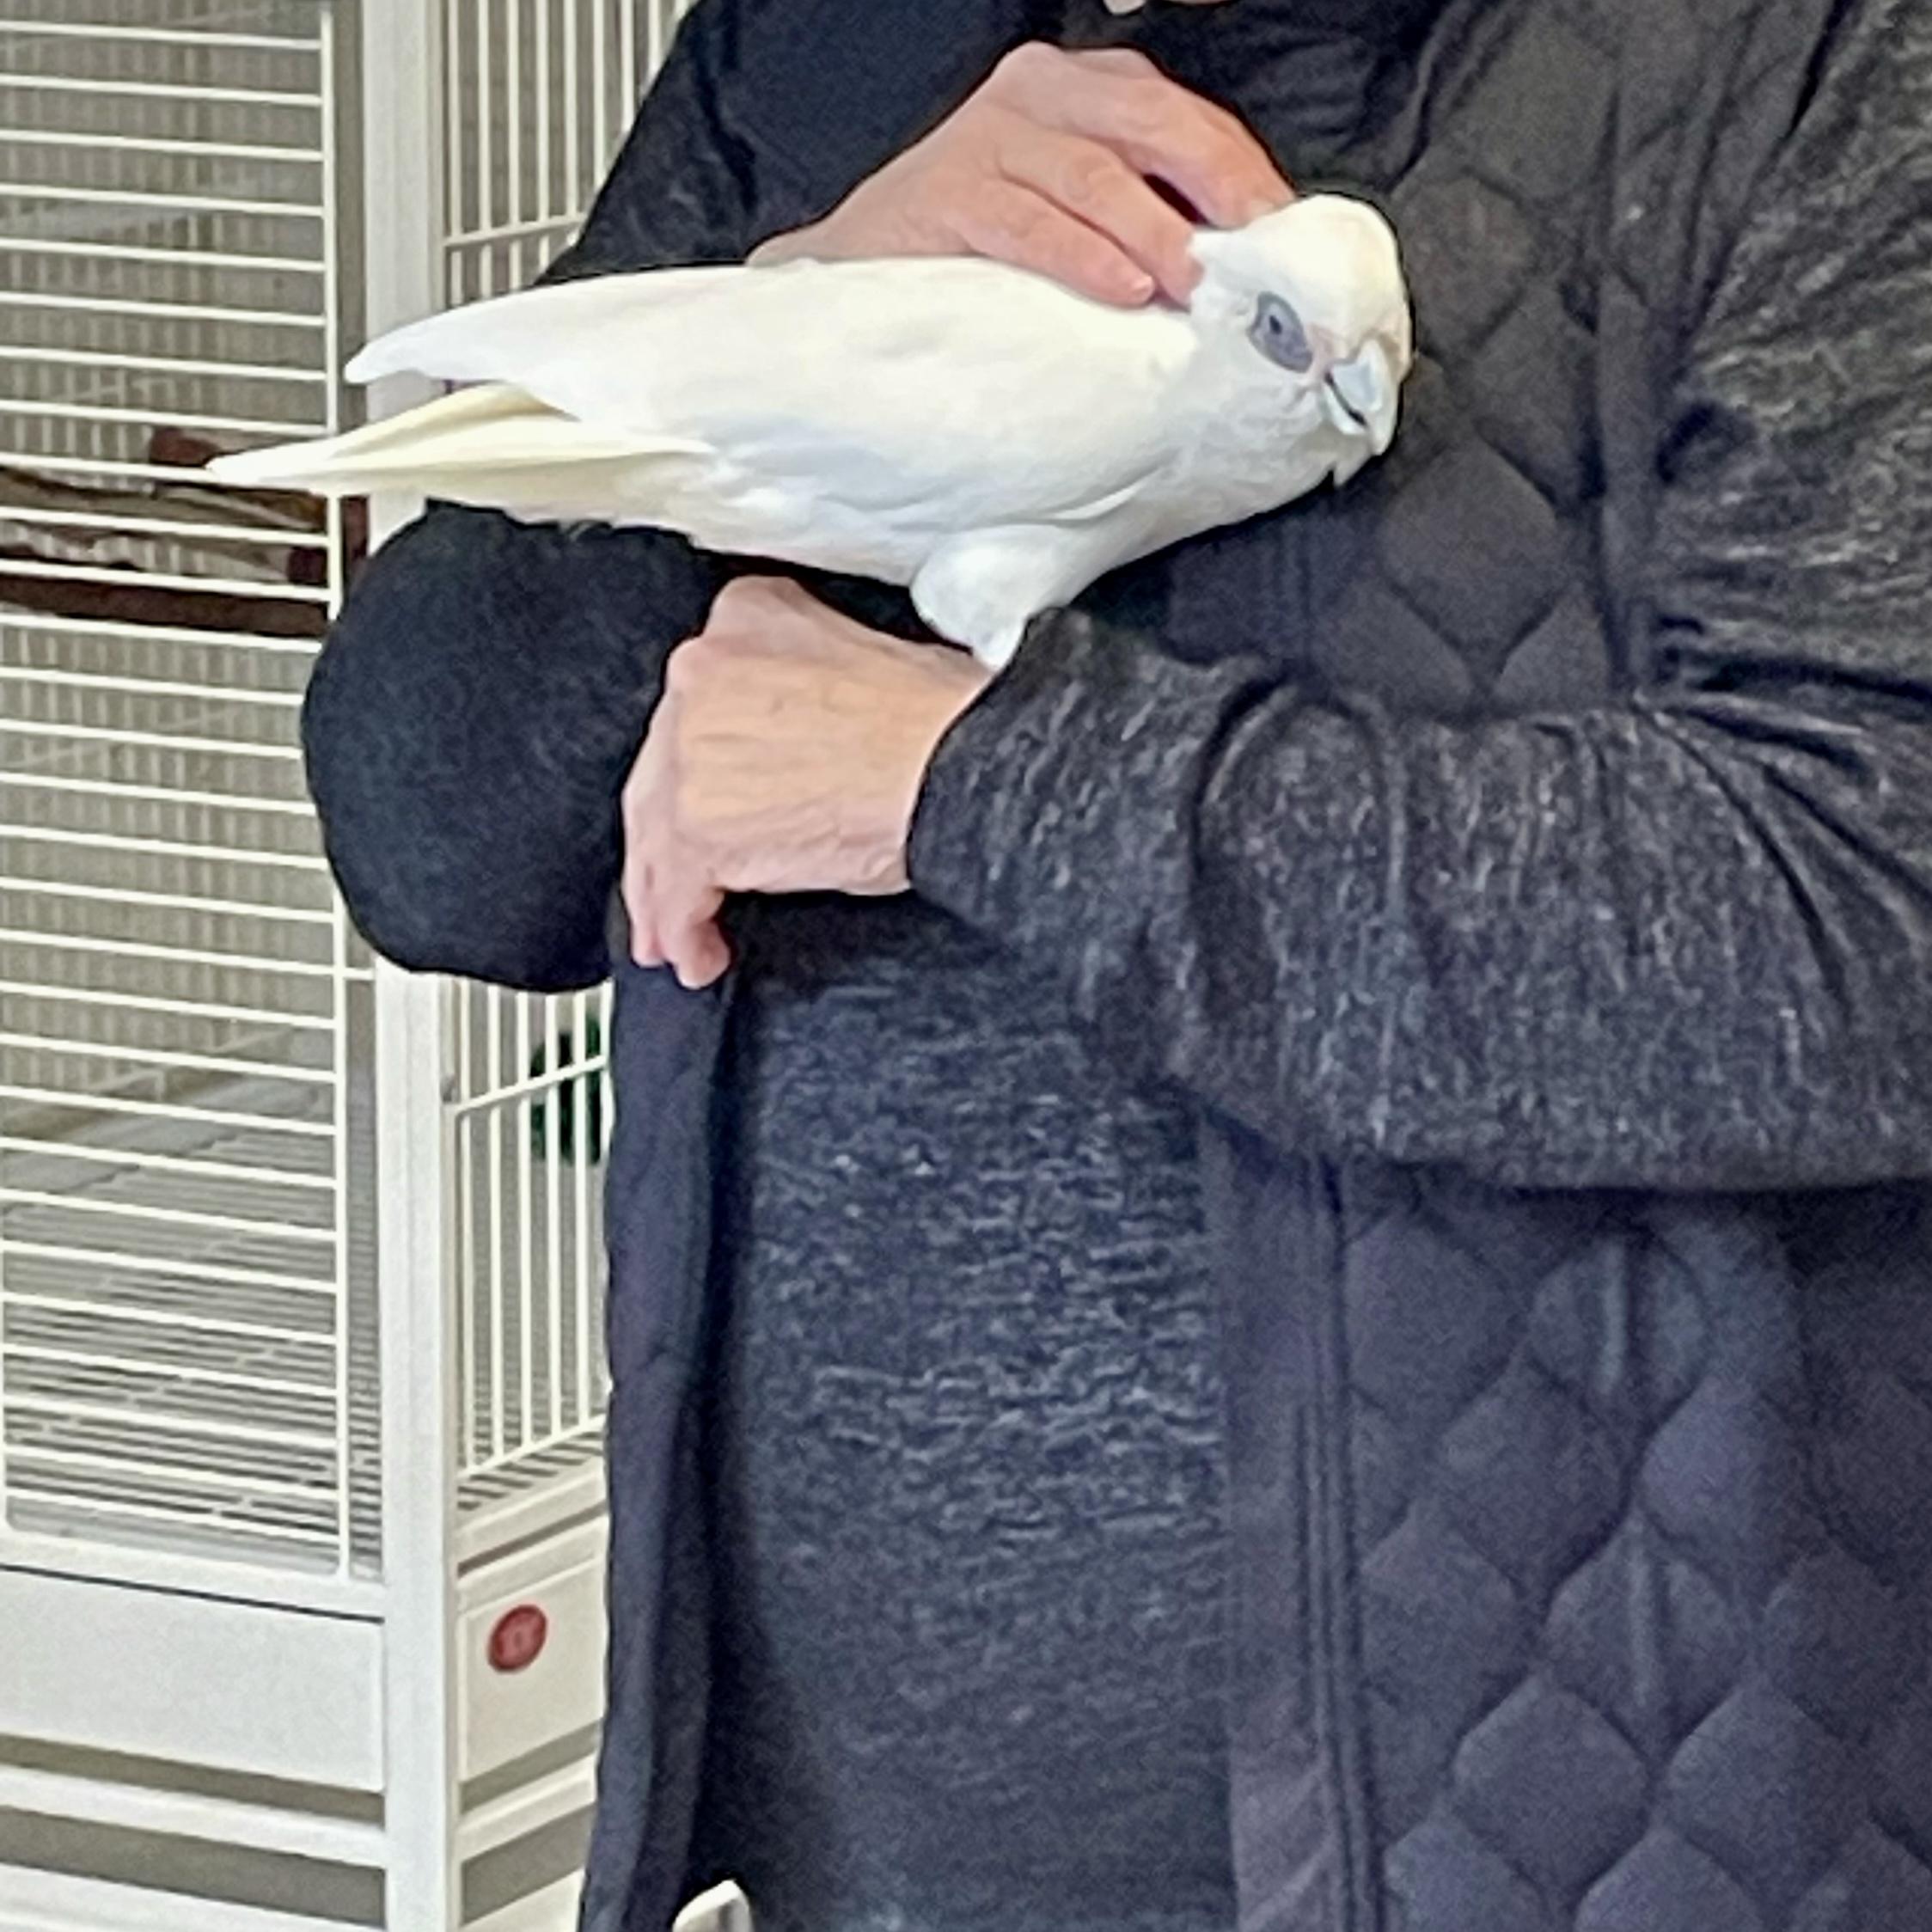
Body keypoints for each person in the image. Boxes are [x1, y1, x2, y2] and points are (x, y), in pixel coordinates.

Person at [303, 0, 1932, 1927]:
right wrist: (789, 315)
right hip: (861, 1833)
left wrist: (968, 775)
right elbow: (430, 837)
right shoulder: (829, 55)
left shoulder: (1808, 64)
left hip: (1562, 1822)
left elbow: (1857, 913)